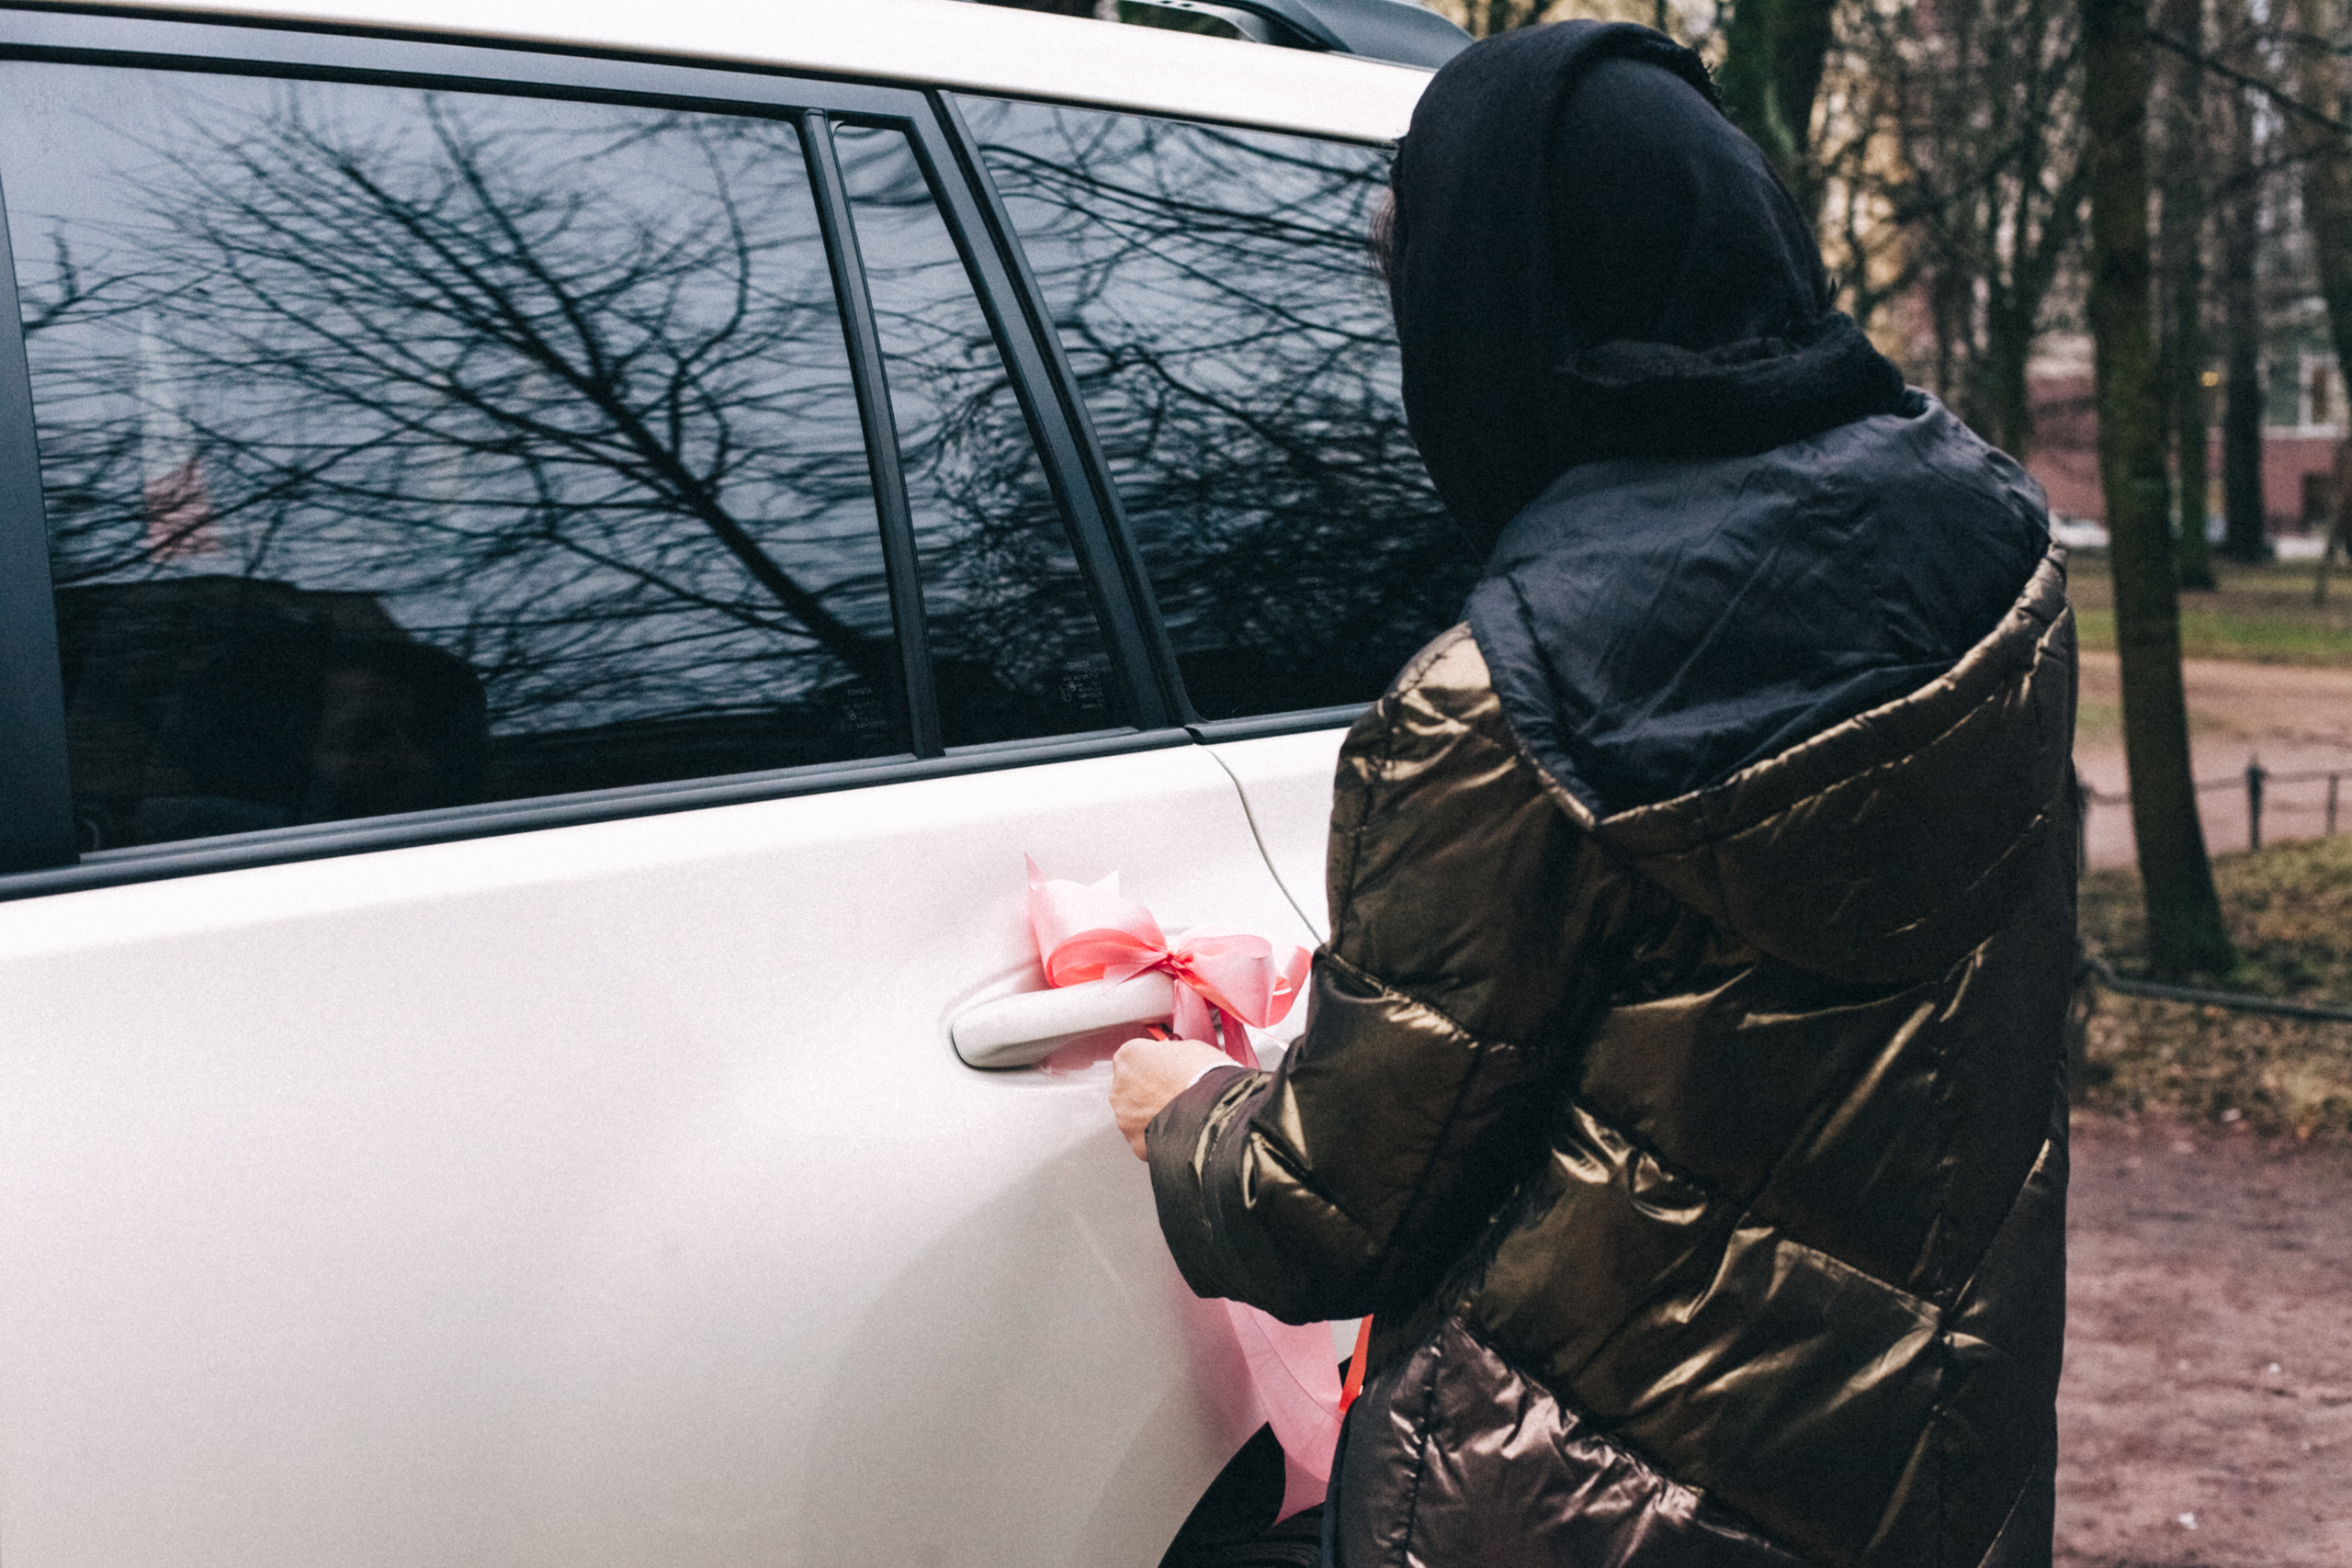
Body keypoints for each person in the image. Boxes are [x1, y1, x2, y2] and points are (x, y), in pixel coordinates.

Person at [1110, 21, 2073, 1568]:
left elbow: (1328, 1211)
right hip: (1931, 1470)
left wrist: (1191, 1118)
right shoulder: (1995, 551)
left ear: (1495, 308)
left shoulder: (1515, 697)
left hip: (1593, 1505)